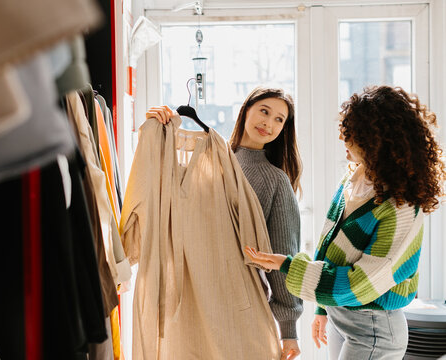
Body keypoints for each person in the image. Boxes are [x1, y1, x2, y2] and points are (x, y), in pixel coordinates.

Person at [245, 85, 446, 360]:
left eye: (352, 132)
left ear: (377, 140)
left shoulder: (401, 207)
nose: (342, 137)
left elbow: (359, 284)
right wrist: (322, 309)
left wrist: (286, 265)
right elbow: (330, 248)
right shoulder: (356, 179)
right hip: (344, 316)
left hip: (374, 327)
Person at [147, 86, 304, 360]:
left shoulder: (275, 179)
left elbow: (282, 256)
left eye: (280, 119)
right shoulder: (207, 160)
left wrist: (288, 330)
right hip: (189, 300)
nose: (269, 123)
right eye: (264, 111)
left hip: (240, 305)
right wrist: (156, 125)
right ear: (246, 111)